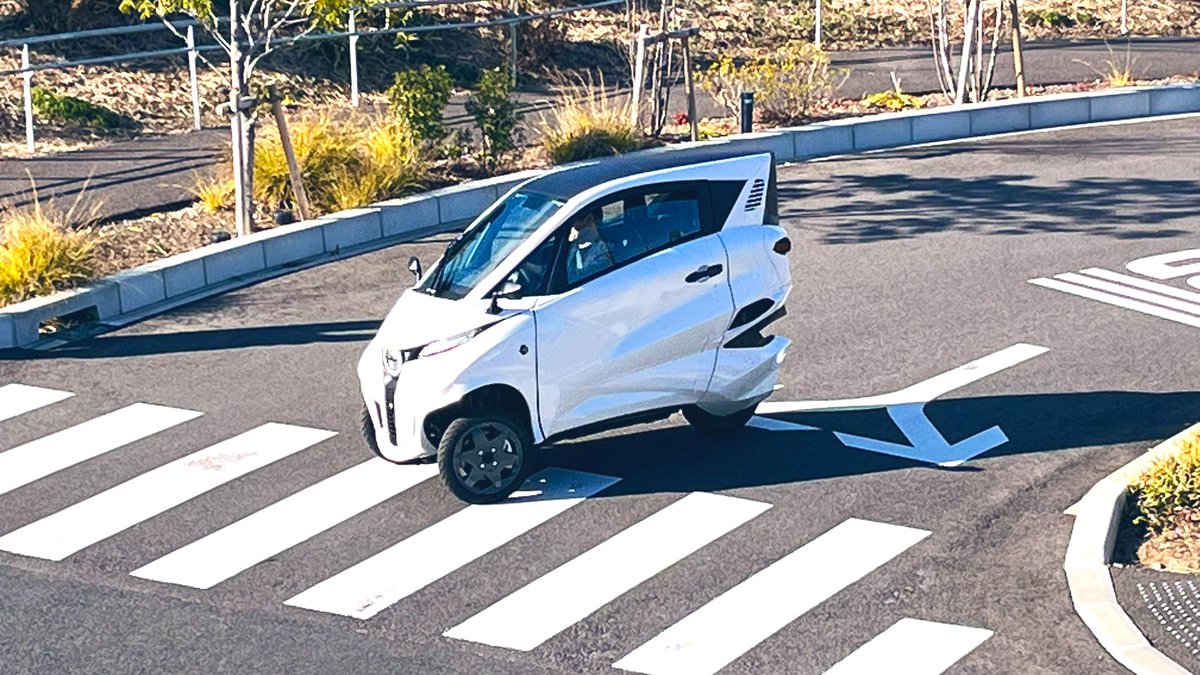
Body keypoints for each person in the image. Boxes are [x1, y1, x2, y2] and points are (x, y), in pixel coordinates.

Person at [567, 209, 615, 282]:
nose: (572, 230)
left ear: (589, 220)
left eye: (577, 228)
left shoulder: (602, 254)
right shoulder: (572, 249)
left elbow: (578, 279)